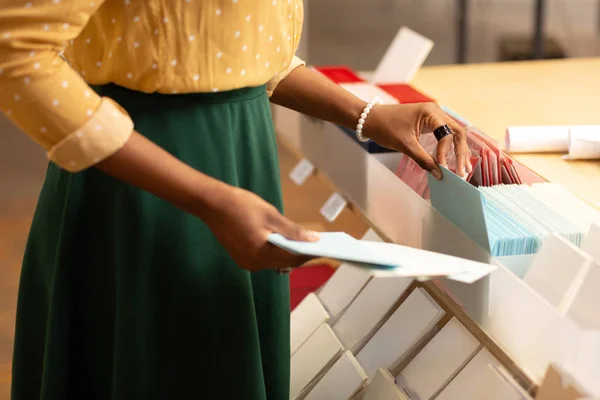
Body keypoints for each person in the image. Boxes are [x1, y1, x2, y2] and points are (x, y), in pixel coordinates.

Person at [0, 0, 469, 399]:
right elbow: (15, 55)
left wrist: (367, 115)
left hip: (237, 165)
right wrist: (206, 200)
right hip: (144, 180)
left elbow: (237, 51)